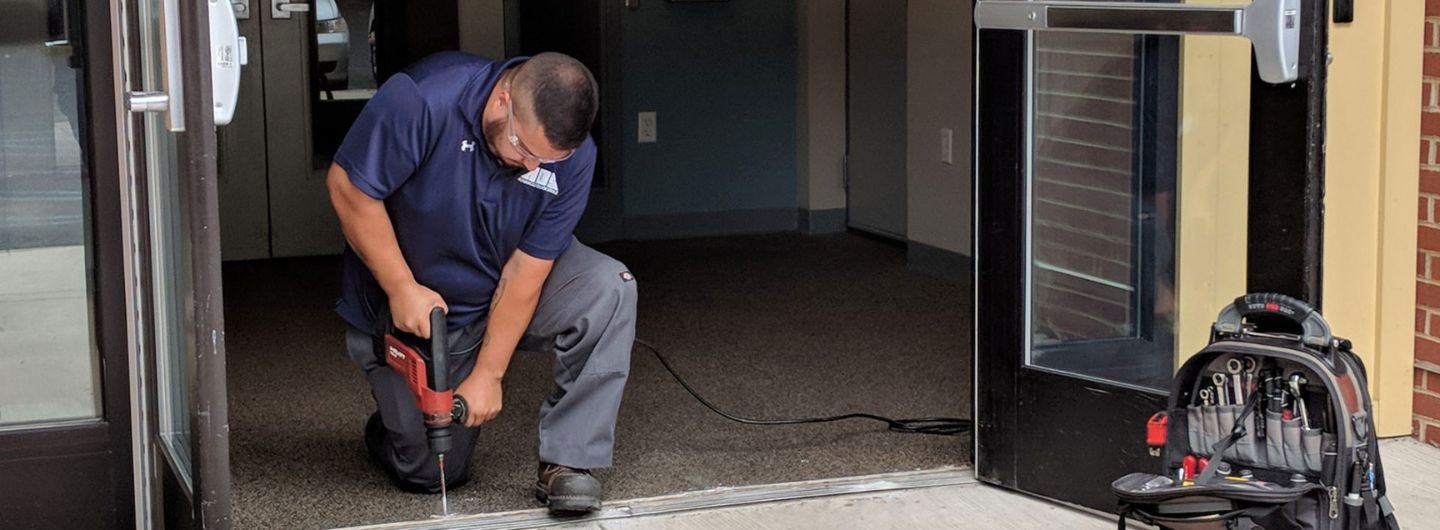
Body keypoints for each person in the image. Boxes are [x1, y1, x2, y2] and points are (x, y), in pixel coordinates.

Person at [326, 51, 635, 513]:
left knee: (609, 286)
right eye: (524, 149)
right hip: (420, 308)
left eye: (548, 159)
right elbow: (349, 187)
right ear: (501, 103)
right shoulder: (423, 100)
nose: (533, 168)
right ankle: (389, 430)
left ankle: (568, 461)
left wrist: (489, 373)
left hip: (498, 288)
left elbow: (527, 269)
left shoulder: (571, 156)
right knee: (430, 474)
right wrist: (400, 286)